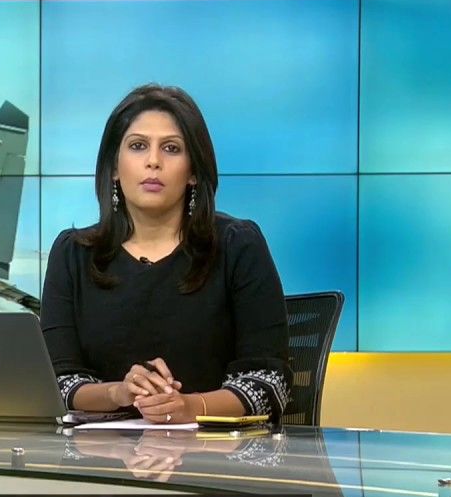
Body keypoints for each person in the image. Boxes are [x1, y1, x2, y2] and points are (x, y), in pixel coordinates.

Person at [41, 84, 292, 424]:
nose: (153, 161)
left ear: (193, 172)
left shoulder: (238, 245)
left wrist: (190, 407)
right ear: (114, 167)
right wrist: (117, 393)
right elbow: (57, 382)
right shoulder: (72, 254)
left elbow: (270, 382)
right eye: (138, 146)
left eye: (171, 148)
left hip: (213, 451)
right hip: (101, 450)